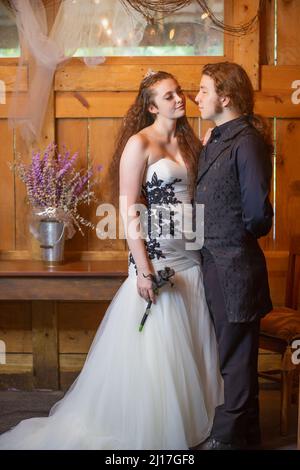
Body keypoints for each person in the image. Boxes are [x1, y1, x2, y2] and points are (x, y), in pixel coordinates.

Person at [0, 70, 223, 450]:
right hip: (157, 256)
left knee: (192, 344)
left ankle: (192, 426)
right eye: (168, 96)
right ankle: (153, 431)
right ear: (152, 106)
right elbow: (128, 210)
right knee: (159, 350)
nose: (179, 99)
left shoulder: (191, 141)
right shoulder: (140, 145)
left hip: (191, 257)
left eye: (179, 93)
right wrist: (144, 270)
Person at [195, 62, 274, 450]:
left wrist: (232, 240)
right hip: (215, 264)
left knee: (236, 360)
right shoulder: (219, 138)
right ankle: (247, 440)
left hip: (235, 267)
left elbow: (258, 214)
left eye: (204, 90)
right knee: (234, 356)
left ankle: (225, 441)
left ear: (225, 97)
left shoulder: (247, 141)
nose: (197, 97)